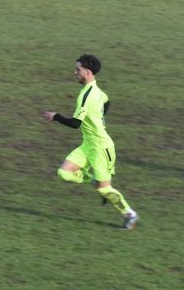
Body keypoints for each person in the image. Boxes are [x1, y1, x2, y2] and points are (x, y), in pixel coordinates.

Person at [41, 54, 139, 230]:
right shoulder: (97, 91)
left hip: (101, 148)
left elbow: (75, 124)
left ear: (87, 72)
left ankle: (130, 215)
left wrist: (56, 117)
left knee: (105, 190)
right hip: (88, 145)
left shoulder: (86, 96)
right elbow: (107, 102)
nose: (74, 73)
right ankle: (93, 180)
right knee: (64, 173)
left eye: (77, 70)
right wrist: (98, 119)